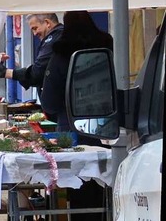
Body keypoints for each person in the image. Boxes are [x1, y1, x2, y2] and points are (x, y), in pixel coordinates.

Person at [42, 11, 112, 220]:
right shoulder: (108, 47)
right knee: (104, 184)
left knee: (77, 187)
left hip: (72, 130)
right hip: (107, 126)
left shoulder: (61, 52)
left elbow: (49, 101)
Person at [0, 13, 64, 92]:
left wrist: (5, 72)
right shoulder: (61, 35)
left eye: (35, 28)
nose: (34, 33)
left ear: (47, 23)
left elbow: (37, 73)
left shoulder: (53, 39)